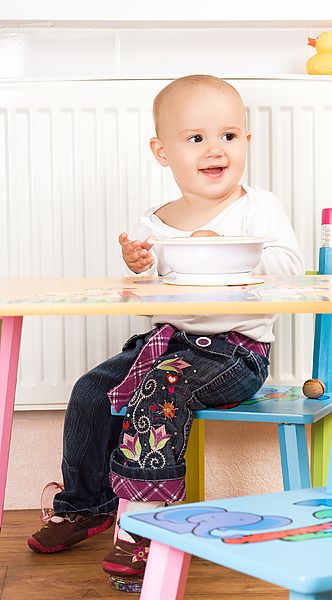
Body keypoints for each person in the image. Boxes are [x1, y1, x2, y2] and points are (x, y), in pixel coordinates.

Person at [27, 74, 304, 586]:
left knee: (160, 391)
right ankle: (87, 504)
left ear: (246, 141)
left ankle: (147, 528)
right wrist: (139, 266)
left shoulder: (258, 207)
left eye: (228, 135)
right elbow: (150, 296)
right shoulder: (156, 221)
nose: (214, 149)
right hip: (166, 344)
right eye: (196, 138)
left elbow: (291, 269)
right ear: (162, 151)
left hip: (233, 354)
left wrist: (226, 244)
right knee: (91, 390)